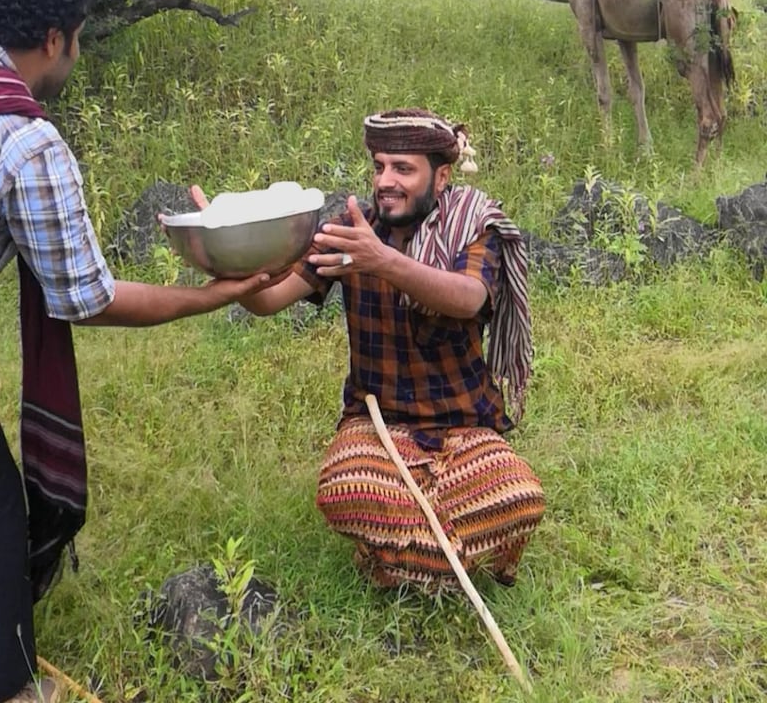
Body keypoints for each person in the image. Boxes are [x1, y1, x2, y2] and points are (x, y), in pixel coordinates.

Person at [0, 0, 275, 703]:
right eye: (78, 35)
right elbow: (85, 298)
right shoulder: (25, 140)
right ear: (54, 40)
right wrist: (213, 296)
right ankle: (1, 685)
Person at [231, 107, 546, 591]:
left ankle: (400, 561)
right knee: (345, 490)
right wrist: (234, 258)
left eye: (403, 169)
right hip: (377, 424)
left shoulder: (472, 224)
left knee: (518, 497)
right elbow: (268, 300)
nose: (386, 181)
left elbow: (469, 298)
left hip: (464, 427)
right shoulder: (352, 232)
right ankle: (445, 558)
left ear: (441, 177)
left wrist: (384, 262)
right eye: (380, 167)